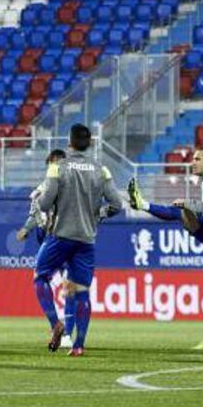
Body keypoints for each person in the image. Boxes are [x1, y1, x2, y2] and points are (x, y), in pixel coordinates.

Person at [128, 147, 203, 350]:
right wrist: (187, 208)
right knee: (180, 213)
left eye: (197, 159)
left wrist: (188, 204)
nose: (192, 162)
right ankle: (142, 204)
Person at [33, 124, 127, 357]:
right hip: (86, 239)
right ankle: (78, 345)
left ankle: (55, 323)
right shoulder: (101, 169)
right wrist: (98, 214)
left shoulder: (57, 167)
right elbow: (117, 204)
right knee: (82, 291)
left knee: (40, 277)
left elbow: (45, 204)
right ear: (91, 143)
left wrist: (40, 200)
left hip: (60, 236)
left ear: (69, 143)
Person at [17, 149, 80, 348]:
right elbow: (35, 215)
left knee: (68, 285)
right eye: (54, 163)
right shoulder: (39, 192)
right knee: (47, 279)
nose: (58, 167)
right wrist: (26, 229)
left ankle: (66, 332)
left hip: (67, 238)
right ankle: (58, 326)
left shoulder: (75, 190)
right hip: (50, 239)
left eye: (61, 162)